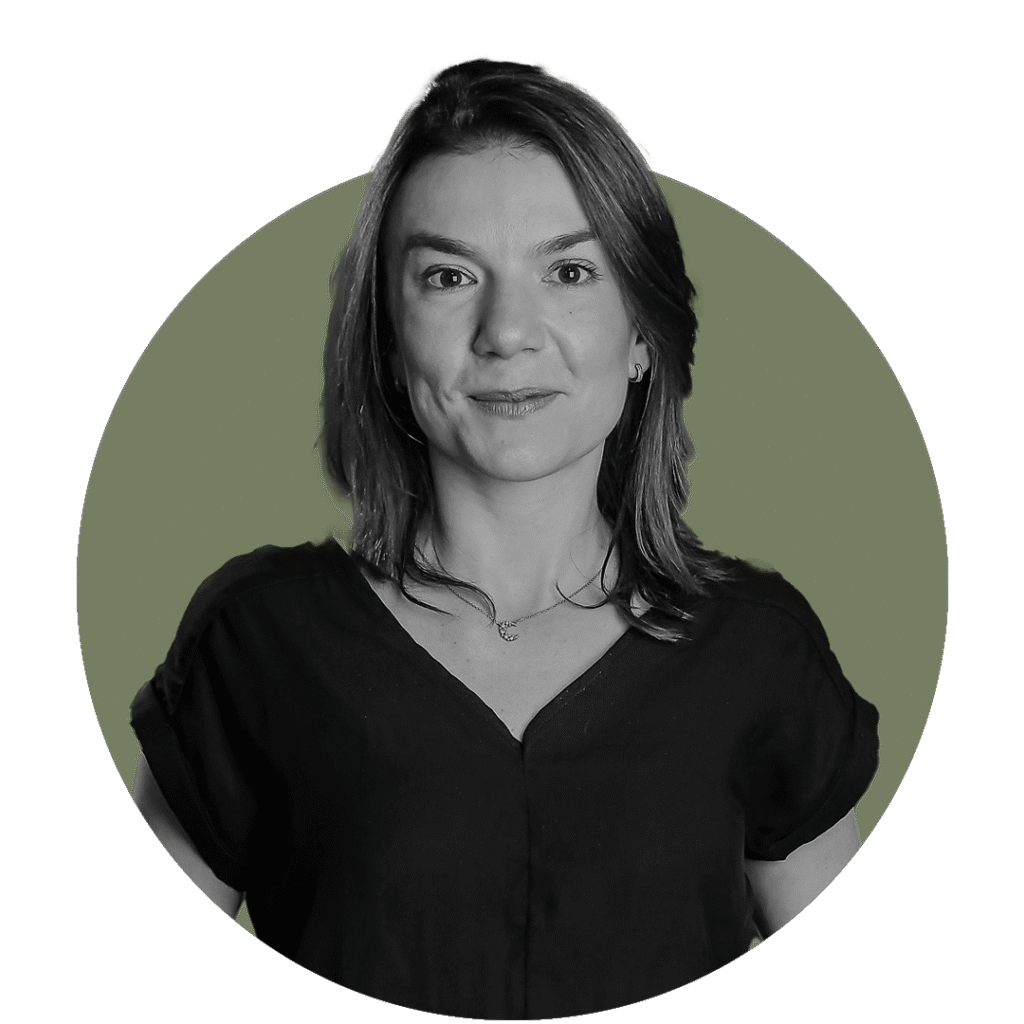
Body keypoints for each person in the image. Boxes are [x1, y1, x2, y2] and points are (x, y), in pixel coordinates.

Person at [130, 57, 879, 1018]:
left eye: (569, 271)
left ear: (642, 332)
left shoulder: (760, 648)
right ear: (388, 341)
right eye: (448, 277)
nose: (507, 332)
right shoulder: (254, 642)